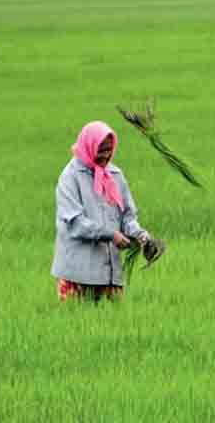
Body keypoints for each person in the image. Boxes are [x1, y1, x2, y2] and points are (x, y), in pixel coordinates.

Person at [51, 121, 150, 302]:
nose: (105, 156)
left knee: (114, 324)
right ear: (89, 146)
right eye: (101, 149)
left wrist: (140, 235)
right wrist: (111, 235)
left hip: (109, 273)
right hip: (77, 273)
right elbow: (76, 223)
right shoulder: (70, 177)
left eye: (109, 150)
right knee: (75, 326)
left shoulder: (115, 175)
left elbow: (127, 216)